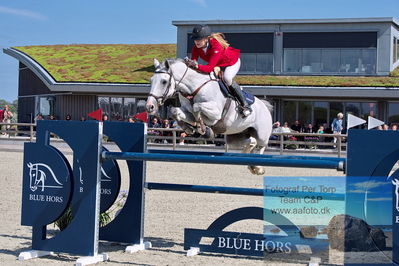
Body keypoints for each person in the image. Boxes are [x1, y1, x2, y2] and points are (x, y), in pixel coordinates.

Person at [186, 24, 252, 117]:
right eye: (195, 39)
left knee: (227, 78)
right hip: (218, 65)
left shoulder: (216, 46)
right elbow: (194, 65)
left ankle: (245, 104)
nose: (197, 41)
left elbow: (208, 68)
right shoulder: (196, 49)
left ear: (206, 38)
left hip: (231, 62)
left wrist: (196, 66)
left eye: (199, 39)